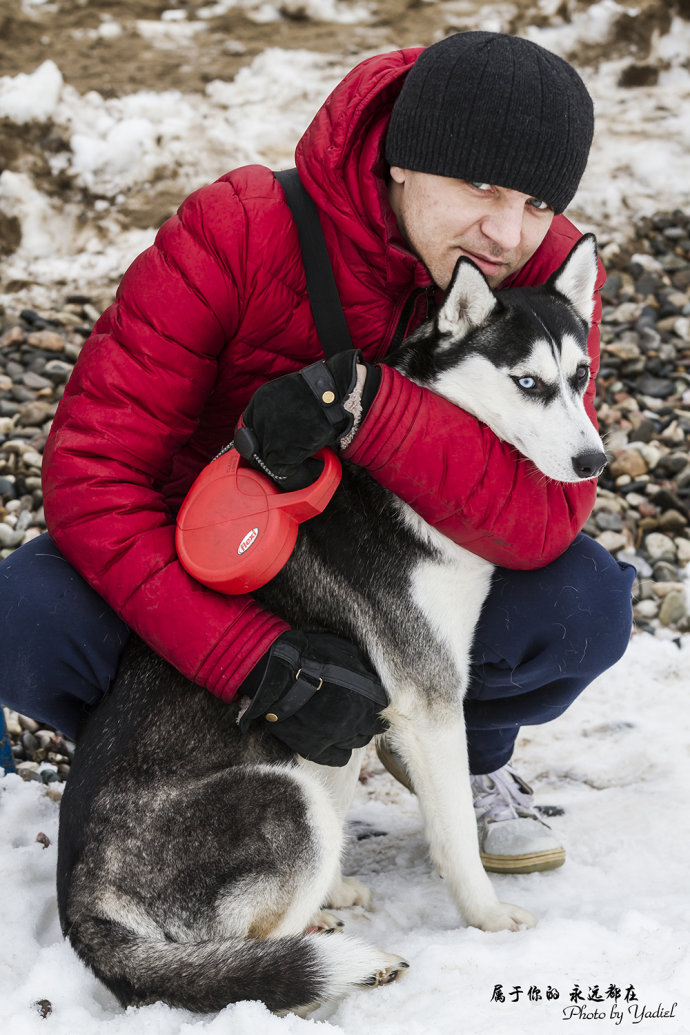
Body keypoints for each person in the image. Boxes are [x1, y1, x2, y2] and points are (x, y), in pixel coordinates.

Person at [0, 31, 635, 874]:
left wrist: (377, 412)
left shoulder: (545, 273)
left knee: (583, 605)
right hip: (224, 559)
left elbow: (544, 516)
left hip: (405, 575)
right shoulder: (239, 232)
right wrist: (244, 656)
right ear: (405, 161)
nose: (507, 231)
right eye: (480, 185)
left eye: (538, 203)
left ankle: (456, 749)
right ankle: (200, 765)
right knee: (23, 618)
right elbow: (93, 472)